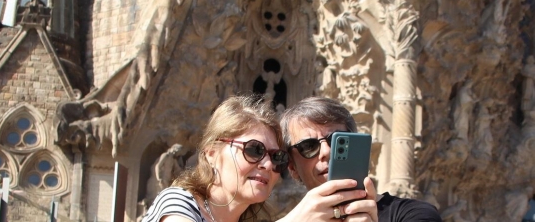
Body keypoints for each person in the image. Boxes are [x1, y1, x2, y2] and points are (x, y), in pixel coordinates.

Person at [281, 97, 441, 222]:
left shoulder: (412, 214)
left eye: (337, 141)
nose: (326, 151)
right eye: (308, 146)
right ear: (292, 168)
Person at [142, 94, 289, 221]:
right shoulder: (178, 203)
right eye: (254, 150)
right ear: (212, 153)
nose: (268, 164)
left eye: (277, 157)